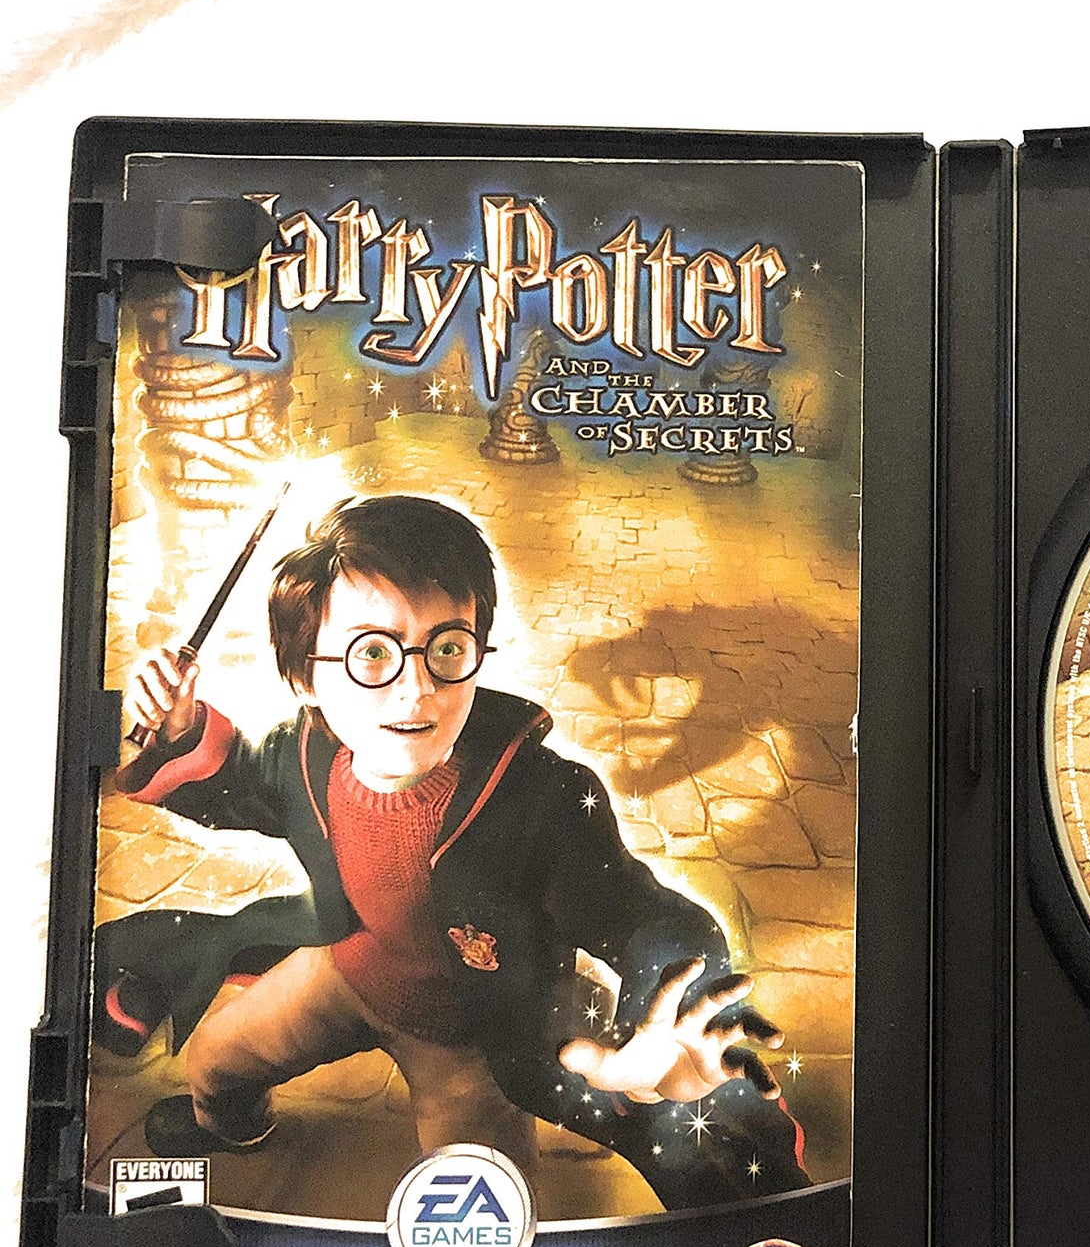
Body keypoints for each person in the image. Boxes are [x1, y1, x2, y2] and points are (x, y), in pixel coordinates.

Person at [101, 494, 809, 1208]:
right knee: (216, 1062)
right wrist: (180, 732)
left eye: (446, 649)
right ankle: (235, 1128)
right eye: (372, 652)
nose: (417, 689)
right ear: (306, 676)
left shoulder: (542, 799)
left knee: (478, 1201)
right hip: (347, 972)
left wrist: (672, 1015)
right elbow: (236, 786)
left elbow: (641, 915)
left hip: (472, 1037)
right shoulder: (305, 754)